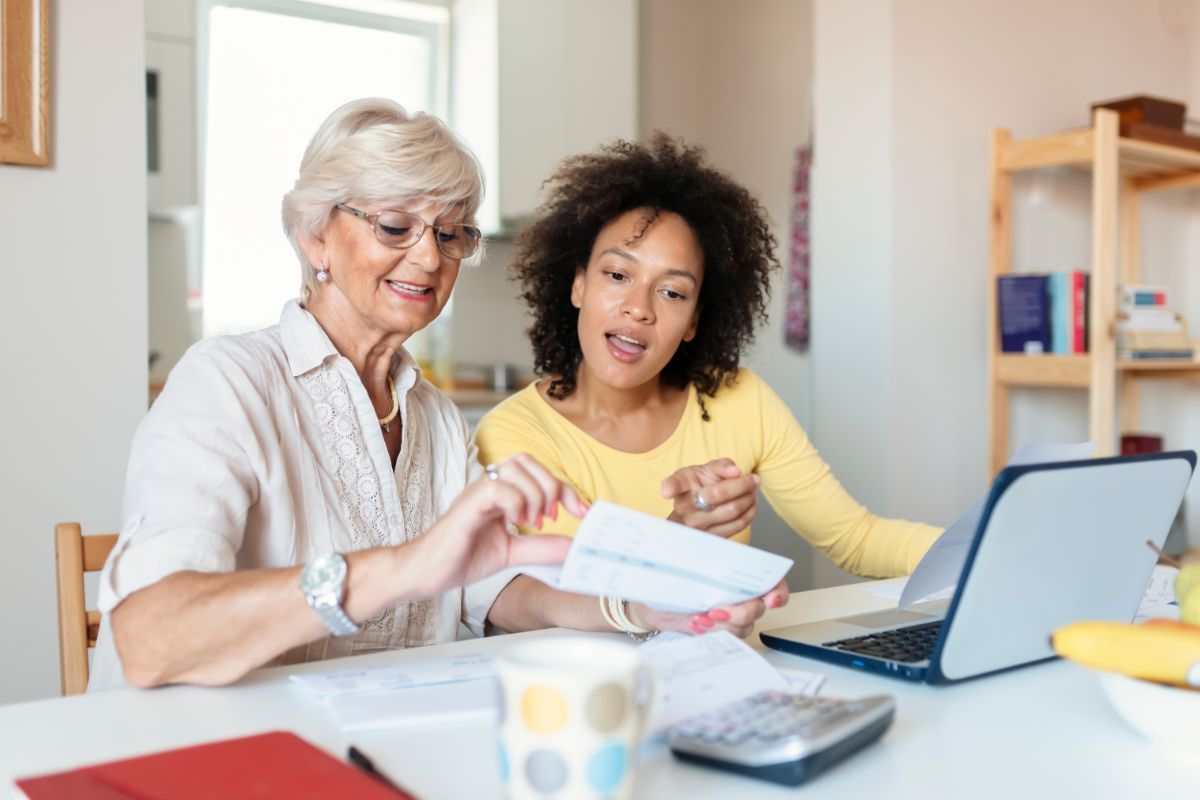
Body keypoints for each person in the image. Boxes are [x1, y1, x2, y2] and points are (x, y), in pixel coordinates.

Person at [90, 98, 587, 691]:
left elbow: (484, 587)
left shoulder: (437, 419)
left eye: (450, 233)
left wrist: (627, 612)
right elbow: (151, 640)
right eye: (395, 226)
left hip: (377, 747)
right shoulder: (226, 383)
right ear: (316, 238)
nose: (430, 257)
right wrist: (402, 568)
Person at [475, 135, 942, 636]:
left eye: (672, 291)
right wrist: (678, 537)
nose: (640, 307)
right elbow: (566, 599)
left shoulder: (740, 401)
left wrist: (989, 548)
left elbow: (856, 538)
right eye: (616, 274)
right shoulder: (513, 435)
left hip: (728, 682)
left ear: (695, 320)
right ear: (578, 285)